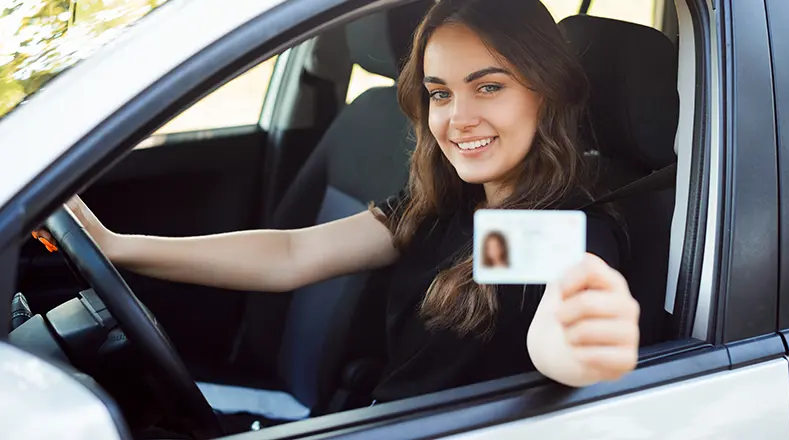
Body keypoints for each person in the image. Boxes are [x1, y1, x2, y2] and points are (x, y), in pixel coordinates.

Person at [40, 0, 640, 402]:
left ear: (548, 92)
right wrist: (117, 248)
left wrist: (582, 348)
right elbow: (293, 254)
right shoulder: (449, 208)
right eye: (439, 93)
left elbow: (563, 326)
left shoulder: (560, 232)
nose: (459, 119)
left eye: (489, 86)